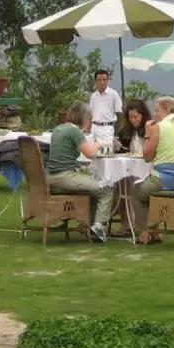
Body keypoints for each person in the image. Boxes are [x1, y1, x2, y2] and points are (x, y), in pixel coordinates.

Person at [46, 100, 112, 242]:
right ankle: (99, 226)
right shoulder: (75, 131)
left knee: (94, 188)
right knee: (106, 189)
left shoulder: (59, 129)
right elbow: (89, 154)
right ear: (84, 118)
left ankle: (88, 225)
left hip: (50, 177)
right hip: (65, 177)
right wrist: (98, 143)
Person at [133, 96, 174, 244]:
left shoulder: (159, 127)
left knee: (137, 190)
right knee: (148, 188)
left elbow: (147, 156)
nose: (155, 115)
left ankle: (144, 233)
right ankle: (154, 232)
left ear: (166, 110)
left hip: (165, 180)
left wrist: (148, 132)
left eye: (157, 111)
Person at [88, 69, 122, 145]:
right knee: (93, 152)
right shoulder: (93, 96)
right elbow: (90, 114)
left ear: (107, 81)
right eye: (99, 80)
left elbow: (119, 113)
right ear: (96, 81)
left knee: (105, 152)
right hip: (94, 128)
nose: (102, 82)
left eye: (104, 80)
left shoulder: (113, 94)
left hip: (107, 128)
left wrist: (117, 133)